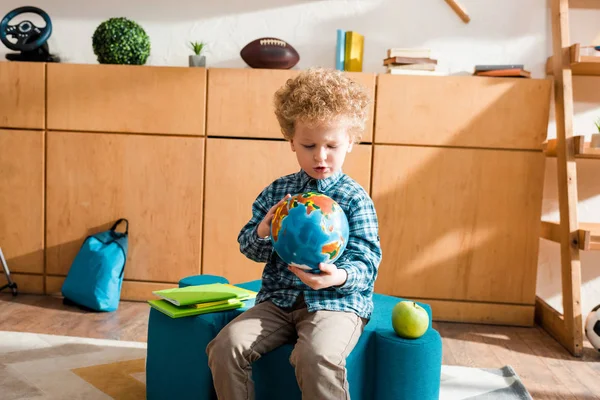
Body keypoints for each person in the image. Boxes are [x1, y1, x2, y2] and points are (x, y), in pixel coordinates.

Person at [206, 67, 382, 400]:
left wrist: (338, 277)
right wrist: (263, 229)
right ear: (291, 142)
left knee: (315, 356)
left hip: (336, 304)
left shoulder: (354, 199)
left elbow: (368, 263)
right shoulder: (278, 192)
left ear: (351, 142)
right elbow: (249, 246)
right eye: (308, 144)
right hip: (278, 302)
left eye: (332, 145)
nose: (320, 155)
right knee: (225, 345)